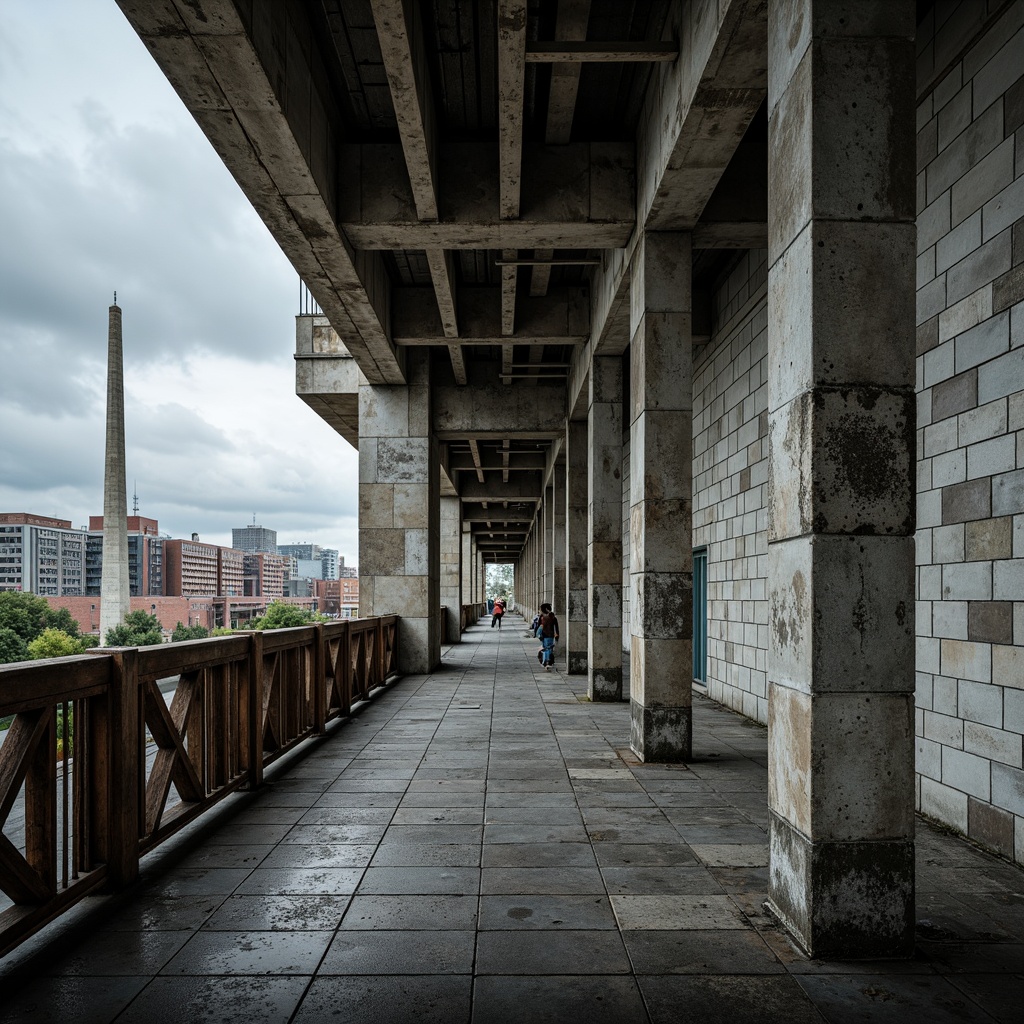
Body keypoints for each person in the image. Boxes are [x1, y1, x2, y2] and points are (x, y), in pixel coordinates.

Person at [537, 602, 559, 671]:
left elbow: (538, 626)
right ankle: (548, 662)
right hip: (550, 635)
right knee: (548, 648)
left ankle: (546, 662)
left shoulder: (542, 617)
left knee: (546, 648)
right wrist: (557, 635)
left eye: (541, 609)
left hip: (544, 635)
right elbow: (556, 627)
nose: (540, 611)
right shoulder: (553, 617)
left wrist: (538, 634)